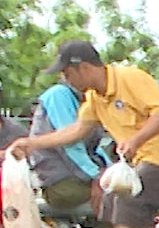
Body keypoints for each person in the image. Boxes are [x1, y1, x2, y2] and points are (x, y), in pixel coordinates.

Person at [7, 40, 159, 228]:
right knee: (110, 194)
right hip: (141, 159)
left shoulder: (131, 78)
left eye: (67, 73)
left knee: (132, 197)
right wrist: (32, 143)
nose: (66, 80)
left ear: (84, 68)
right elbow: (77, 130)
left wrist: (136, 140)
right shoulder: (94, 97)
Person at [30, 77, 108, 213]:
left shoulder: (89, 99)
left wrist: (111, 170)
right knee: (118, 199)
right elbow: (71, 145)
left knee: (125, 189)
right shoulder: (58, 95)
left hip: (81, 177)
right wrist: (97, 177)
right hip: (61, 183)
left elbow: (95, 147)